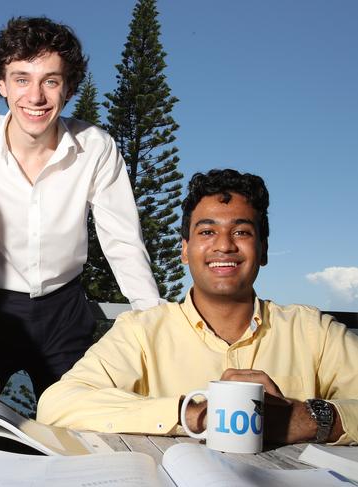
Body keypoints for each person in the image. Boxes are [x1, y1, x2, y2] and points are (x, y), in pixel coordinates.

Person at [0, 17, 162, 399]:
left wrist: (152, 318)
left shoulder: (99, 147)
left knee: (75, 431)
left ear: (69, 87)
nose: (35, 97)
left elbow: (121, 240)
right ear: (2, 84)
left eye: (50, 81)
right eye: (22, 79)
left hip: (66, 313)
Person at [37, 168, 358, 445]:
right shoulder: (140, 332)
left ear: (263, 250)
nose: (224, 244)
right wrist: (195, 414)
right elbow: (58, 403)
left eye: (241, 231)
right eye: (207, 231)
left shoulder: (314, 331)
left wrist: (304, 418)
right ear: (185, 250)